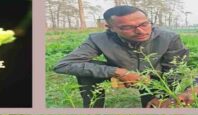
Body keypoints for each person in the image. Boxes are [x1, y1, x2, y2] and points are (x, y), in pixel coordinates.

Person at [54, 5, 196, 108]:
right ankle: (92, 109)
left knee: (153, 105)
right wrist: (117, 72)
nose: (140, 31)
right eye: (127, 27)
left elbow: (174, 70)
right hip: (118, 73)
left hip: (154, 78)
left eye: (144, 24)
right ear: (110, 28)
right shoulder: (97, 39)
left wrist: (164, 97)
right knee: (87, 72)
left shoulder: (169, 37)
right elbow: (63, 65)